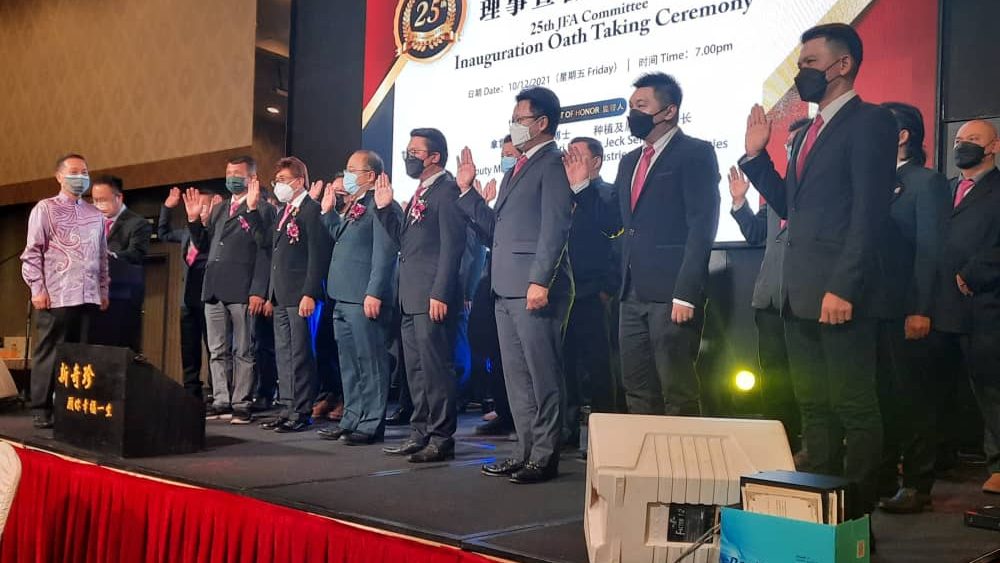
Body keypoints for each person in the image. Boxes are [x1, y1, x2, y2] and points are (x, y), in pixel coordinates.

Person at [740, 23, 897, 518]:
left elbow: (869, 212)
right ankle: (822, 515)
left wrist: (844, 286)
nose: (800, 72)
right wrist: (756, 157)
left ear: (842, 65)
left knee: (854, 406)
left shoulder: (871, 121)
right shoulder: (809, 131)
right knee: (814, 409)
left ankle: (857, 519)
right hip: (799, 294)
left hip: (839, 294)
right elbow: (792, 205)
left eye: (809, 62)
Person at [566, 72, 720, 417]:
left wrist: (686, 293)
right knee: (636, 388)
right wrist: (581, 188)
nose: (632, 113)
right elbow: (612, 223)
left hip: (671, 293)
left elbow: (702, 227)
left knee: (677, 390)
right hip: (630, 294)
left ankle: (682, 453)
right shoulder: (630, 161)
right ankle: (644, 453)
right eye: (631, 106)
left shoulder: (695, 153)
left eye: (641, 105)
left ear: (669, 111)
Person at [455, 87, 574, 484]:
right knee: (516, 378)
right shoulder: (516, 169)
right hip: (504, 287)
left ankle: (544, 456)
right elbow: (497, 230)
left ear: (542, 123)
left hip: (534, 288)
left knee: (542, 376)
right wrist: (468, 192)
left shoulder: (553, 163)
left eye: (519, 119)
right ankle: (523, 451)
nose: (513, 126)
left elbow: (555, 227)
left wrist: (541, 279)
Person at [868, 102, 951, 513]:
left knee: (912, 398)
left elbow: (930, 250)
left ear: (902, 135)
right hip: (871, 308)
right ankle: (882, 477)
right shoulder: (872, 180)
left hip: (907, 307)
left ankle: (918, 483)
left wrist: (921, 307)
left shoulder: (925, 182)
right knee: (879, 397)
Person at [376, 128, 467, 463]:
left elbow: (453, 247)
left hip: (432, 296)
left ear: (434, 157)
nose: (408, 156)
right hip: (410, 296)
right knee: (414, 371)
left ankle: (441, 437)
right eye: (408, 150)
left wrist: (441, 291)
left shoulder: (448, 190)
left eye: (415, 152)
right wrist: (385, 210)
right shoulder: (421, 192)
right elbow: (405, 243)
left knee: (435, 369)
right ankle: (419, 432)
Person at [728, 117, 811, 453]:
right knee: (774, 379)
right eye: (787, 145)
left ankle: (812, 447)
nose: (790, 149)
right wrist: (739, 202)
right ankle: (780, 446)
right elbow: (755, 234)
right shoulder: (778, 195)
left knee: (807, 379)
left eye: (796, 144)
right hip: (769, 301)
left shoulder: (819, 191)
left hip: (804, 301)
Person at [932, 119, 1000, 495]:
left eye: (973, 139)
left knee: (990, 387)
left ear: (993, 146)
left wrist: (974, 272)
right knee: (935, 387)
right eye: (959, 140)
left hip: (985, 303)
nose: (963, 145)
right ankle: (935, 457)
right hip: (937, 303)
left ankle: (998, 464)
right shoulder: (943, 190)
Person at [316, 150, 402, 445]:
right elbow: (340, 236)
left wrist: (374, 291)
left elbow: (385, 252)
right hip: (343, 295)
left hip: (364, 296)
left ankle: (371, 423)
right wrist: (328, 213)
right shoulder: (358, 204)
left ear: (371, 176)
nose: (347, 175)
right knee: (350, 363)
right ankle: (351, 417)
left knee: (371, 362)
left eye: (353, 170)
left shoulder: (382, 204)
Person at [184, 155, 274, 424]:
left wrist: (259, 290)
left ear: (251, 178)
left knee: (244, 350)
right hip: (214, 287)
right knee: (217, 349)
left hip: (243, 288)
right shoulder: (220, 208)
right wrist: (193, 221)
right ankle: (221, 399)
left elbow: (265, 250)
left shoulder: (263, 209)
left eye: (237, 173)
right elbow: (204, 244)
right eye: (229, 173)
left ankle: (241, 402)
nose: (232, 178)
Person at [21, 153, 109, 428]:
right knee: (50, 351)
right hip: (57, 293)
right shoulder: (45, 208)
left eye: (85, 172)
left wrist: (103, 289)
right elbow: (32, 253)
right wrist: (37, 288)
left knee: (81, 355)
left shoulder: (95, 215)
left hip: (89, 295)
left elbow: (102, 257)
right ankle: (41, 408)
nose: (80, 177)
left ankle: (73, 406)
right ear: (59, 176)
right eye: (74, 172)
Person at [260, 157, 332, 431]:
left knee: (301, 353)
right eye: (276, 181)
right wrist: (270, 294)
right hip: (280, 293)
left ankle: (302, 411)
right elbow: (273, 253)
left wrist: (310, 293)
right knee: (284, 353)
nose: (278, 185)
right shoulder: (284, 212)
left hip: (301, 294)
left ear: (299, 181)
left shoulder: (312, 210)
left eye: (283, 180)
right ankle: (287, 407)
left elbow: (317, 255)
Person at [560, 136, 618, 449]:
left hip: (594, 292)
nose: (569, 159)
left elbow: (618, 245)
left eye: (577, 155)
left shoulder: (608, 194)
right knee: (565, 364)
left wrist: (607, 288)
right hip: (563, 294)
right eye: (567, 154)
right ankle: (566, 428)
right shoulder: (560, 196)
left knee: (598, 366)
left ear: (596, 161)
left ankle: (604, 433)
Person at [159, 186, 220, 400]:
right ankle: (191, 391)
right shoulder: (186, 231)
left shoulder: (217, 231)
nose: (199, 210)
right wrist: (167, 207)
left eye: (203, 206)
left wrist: (199, 221)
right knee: (189, 349)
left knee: (214, 348)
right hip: (188, 299)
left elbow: (202, 242)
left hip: (210, 299)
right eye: (195, 206)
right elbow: (163, 233)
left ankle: (216, 391)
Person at [89, 175, 151, 352]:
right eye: (95, 200)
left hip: (121, 297)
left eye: (103, 200)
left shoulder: (138, 223)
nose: (98, 205)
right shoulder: (90, 224)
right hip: (92, 296)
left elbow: (137, 254)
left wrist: (112, 256)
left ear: (119, 197)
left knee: (118, 349)